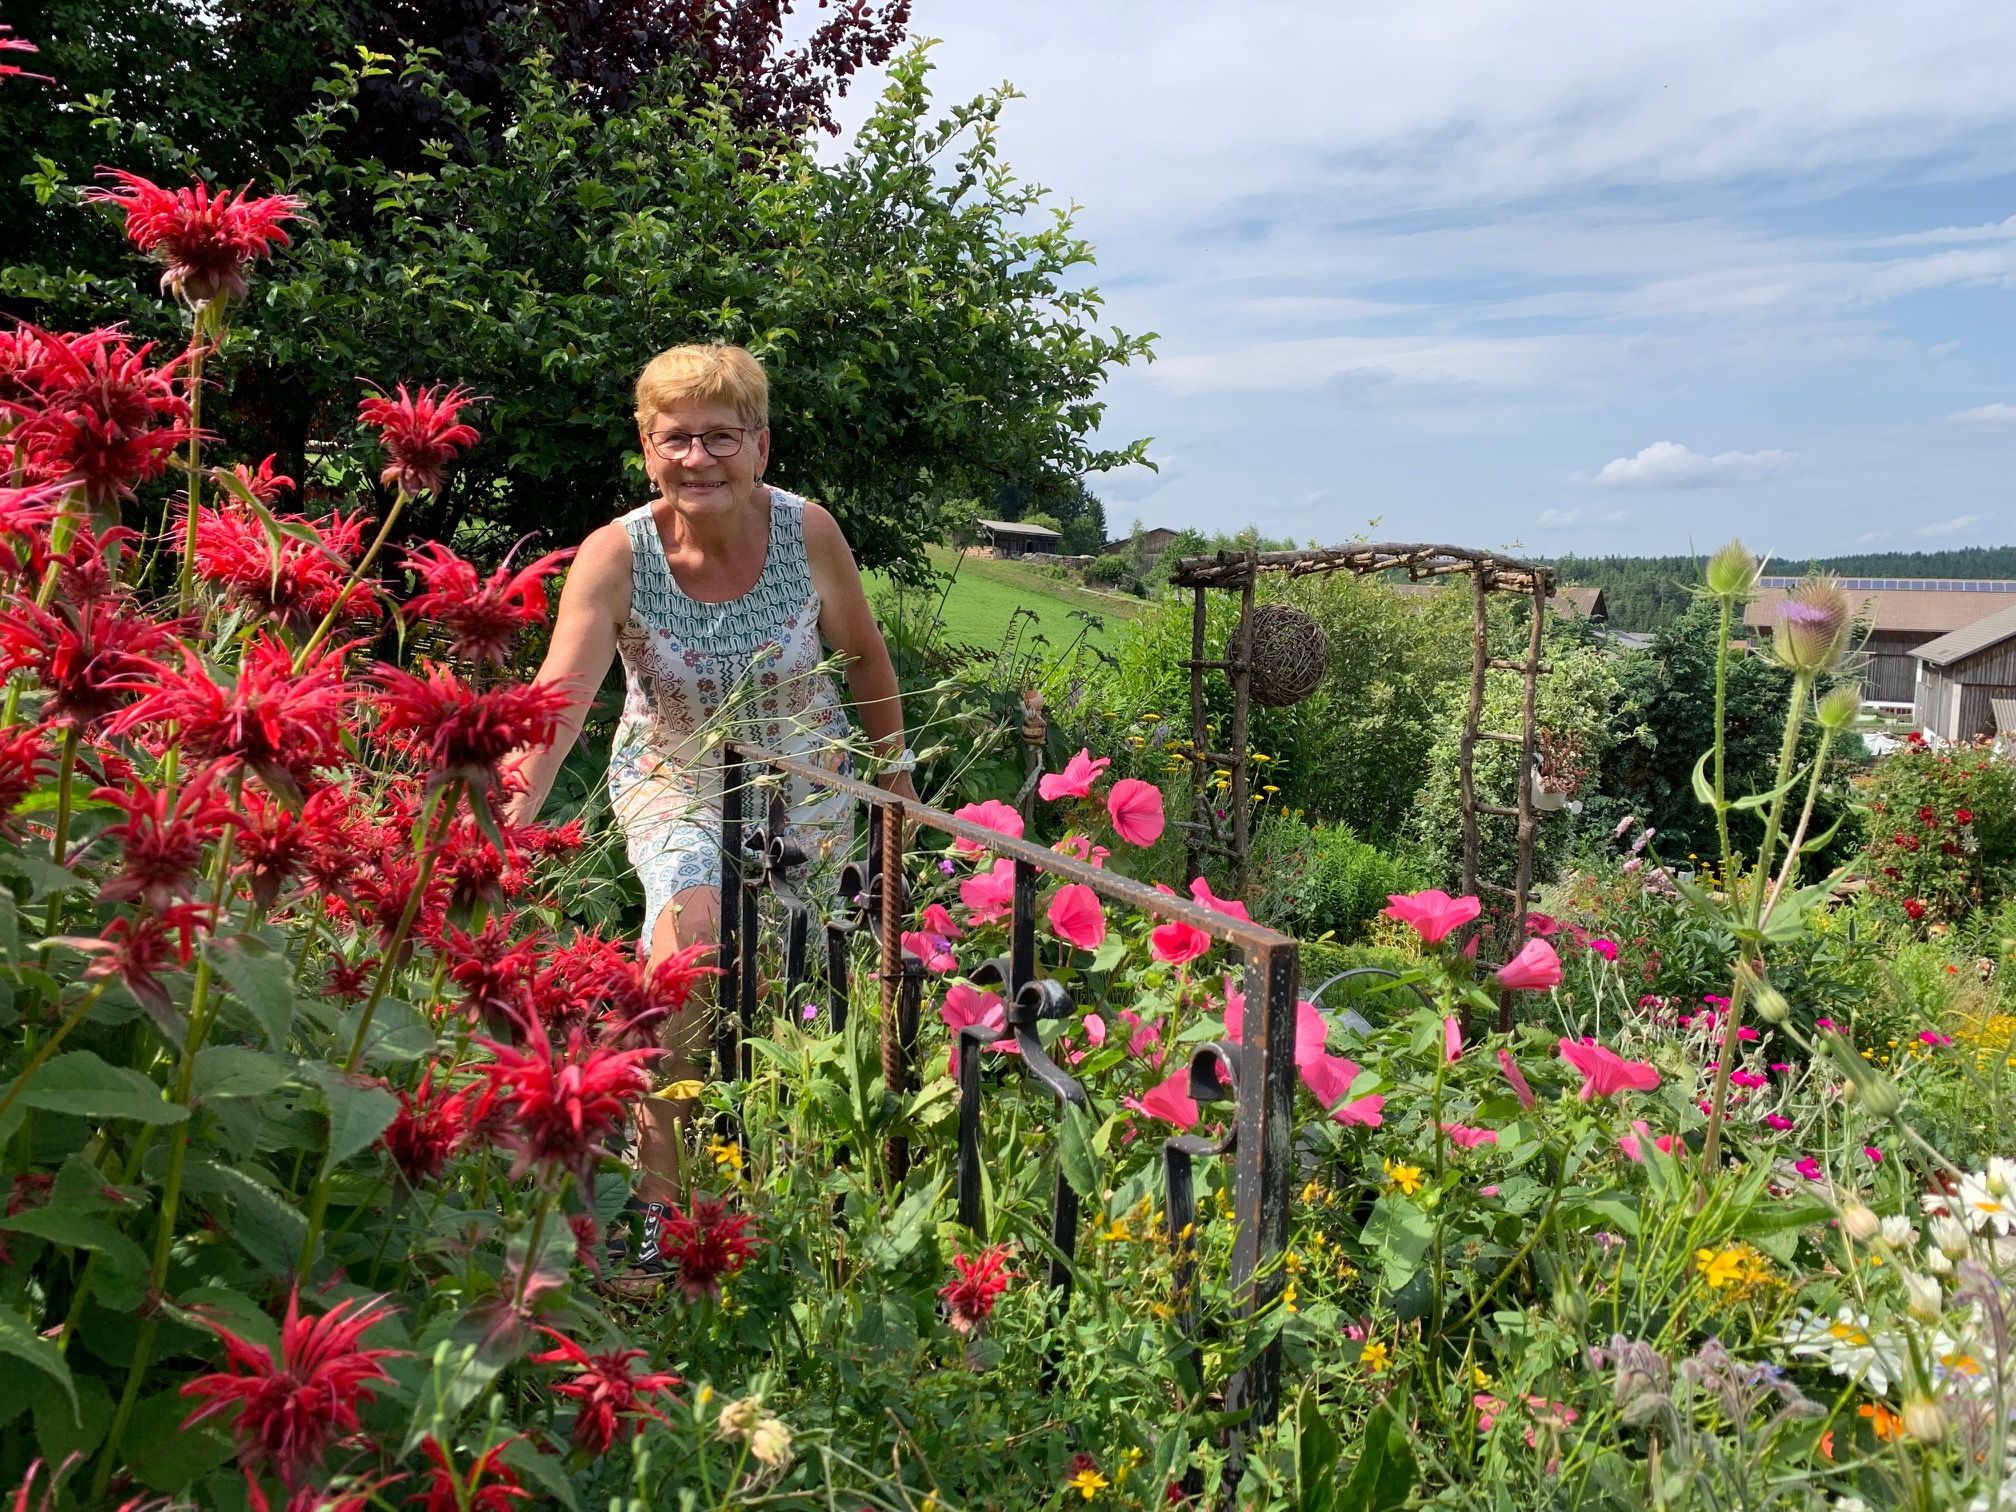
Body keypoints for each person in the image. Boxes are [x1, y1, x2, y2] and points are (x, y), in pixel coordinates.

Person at [503, 343, 914, 1264]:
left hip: (805, 786)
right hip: (675, 782)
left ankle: (781, 1183)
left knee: (793, 979)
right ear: (647, 450)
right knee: (689, 949)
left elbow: (864, 658)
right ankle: (660, 1206)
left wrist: (896, 777)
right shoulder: (617, 555)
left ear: (760, 446)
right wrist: (499, 830)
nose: (698, 459)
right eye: (675, 439)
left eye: (720, 437)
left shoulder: (809, 534)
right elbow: (556, 707)